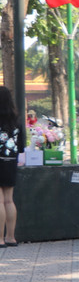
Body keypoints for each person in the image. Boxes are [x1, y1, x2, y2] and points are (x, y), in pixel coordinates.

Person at [0, 88, 24, 248]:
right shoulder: (16, 122)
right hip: (11, 163)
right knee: (9, 200)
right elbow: (21, 148)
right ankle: (10, 237)